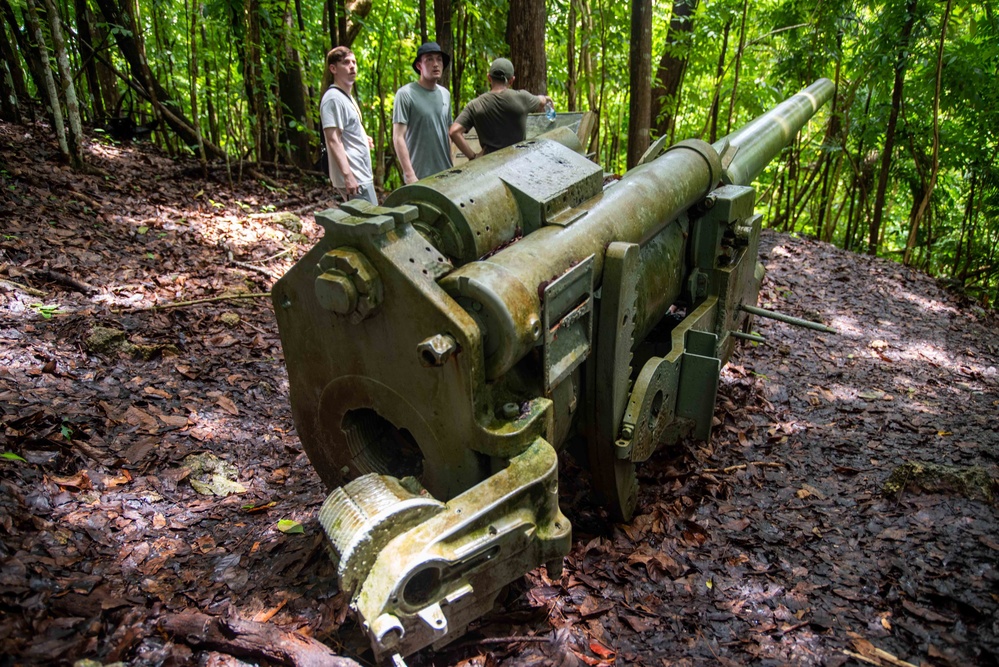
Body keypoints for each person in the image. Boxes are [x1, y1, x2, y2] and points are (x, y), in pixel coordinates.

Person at [449, 57, 553, 159]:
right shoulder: (523, 98)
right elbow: (542, 100)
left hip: (489, 166)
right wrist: (547, 99)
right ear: (512, 80)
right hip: (517, 163)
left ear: (489, 78)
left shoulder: (475, 105)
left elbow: (454, 132)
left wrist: (473, 156)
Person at [319, 46, 377, 205]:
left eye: (354, 62)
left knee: (367, 224)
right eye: (346, 63)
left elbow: (346, 131)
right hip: (354, 177)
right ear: (333, 68)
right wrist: (348, 176)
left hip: (361, 174)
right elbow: (333, 140)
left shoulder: (346, 97)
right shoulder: (333, 99)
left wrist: (363, 139)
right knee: (371, 225)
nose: (352, 66)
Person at [393, 42, 454, 183]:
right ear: (419, 66)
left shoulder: (445, 94)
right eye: (429, 59)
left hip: (445, 173)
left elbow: (448, 132)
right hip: (419, 176)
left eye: (439, 59)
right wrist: (409, 175)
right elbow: (398, 137)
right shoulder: (405, 94)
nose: (436, 64)